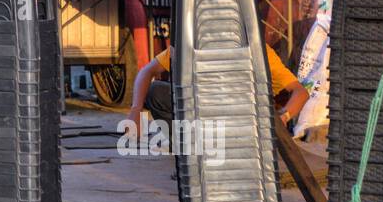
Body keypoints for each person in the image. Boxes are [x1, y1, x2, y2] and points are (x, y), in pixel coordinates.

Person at [126, 40, 310, 140]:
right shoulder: (190, 44)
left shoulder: (260, 52)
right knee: (156, 91)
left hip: (239, 124)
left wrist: (284, 117)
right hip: (202, 116)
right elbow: (147, 71)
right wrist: (136, 109)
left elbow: (300, 92)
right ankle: (186, 151)